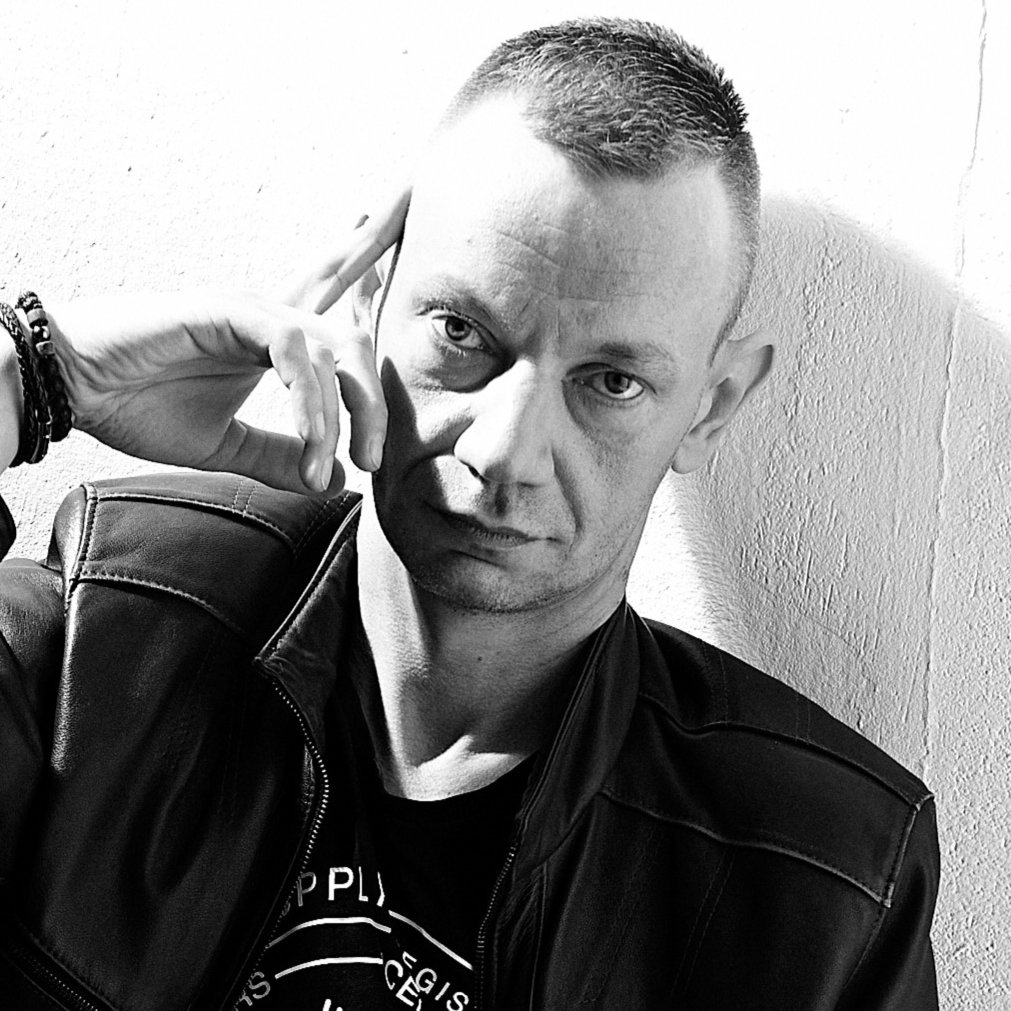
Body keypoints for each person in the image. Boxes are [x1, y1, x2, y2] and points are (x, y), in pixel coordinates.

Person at [0, 17, 938, 1011]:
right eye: (462, 332)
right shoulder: (102, 637)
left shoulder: (826, 888)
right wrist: (35, 378)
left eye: (611, 381)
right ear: (370, 301)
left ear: (709, 408)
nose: (503, 451)